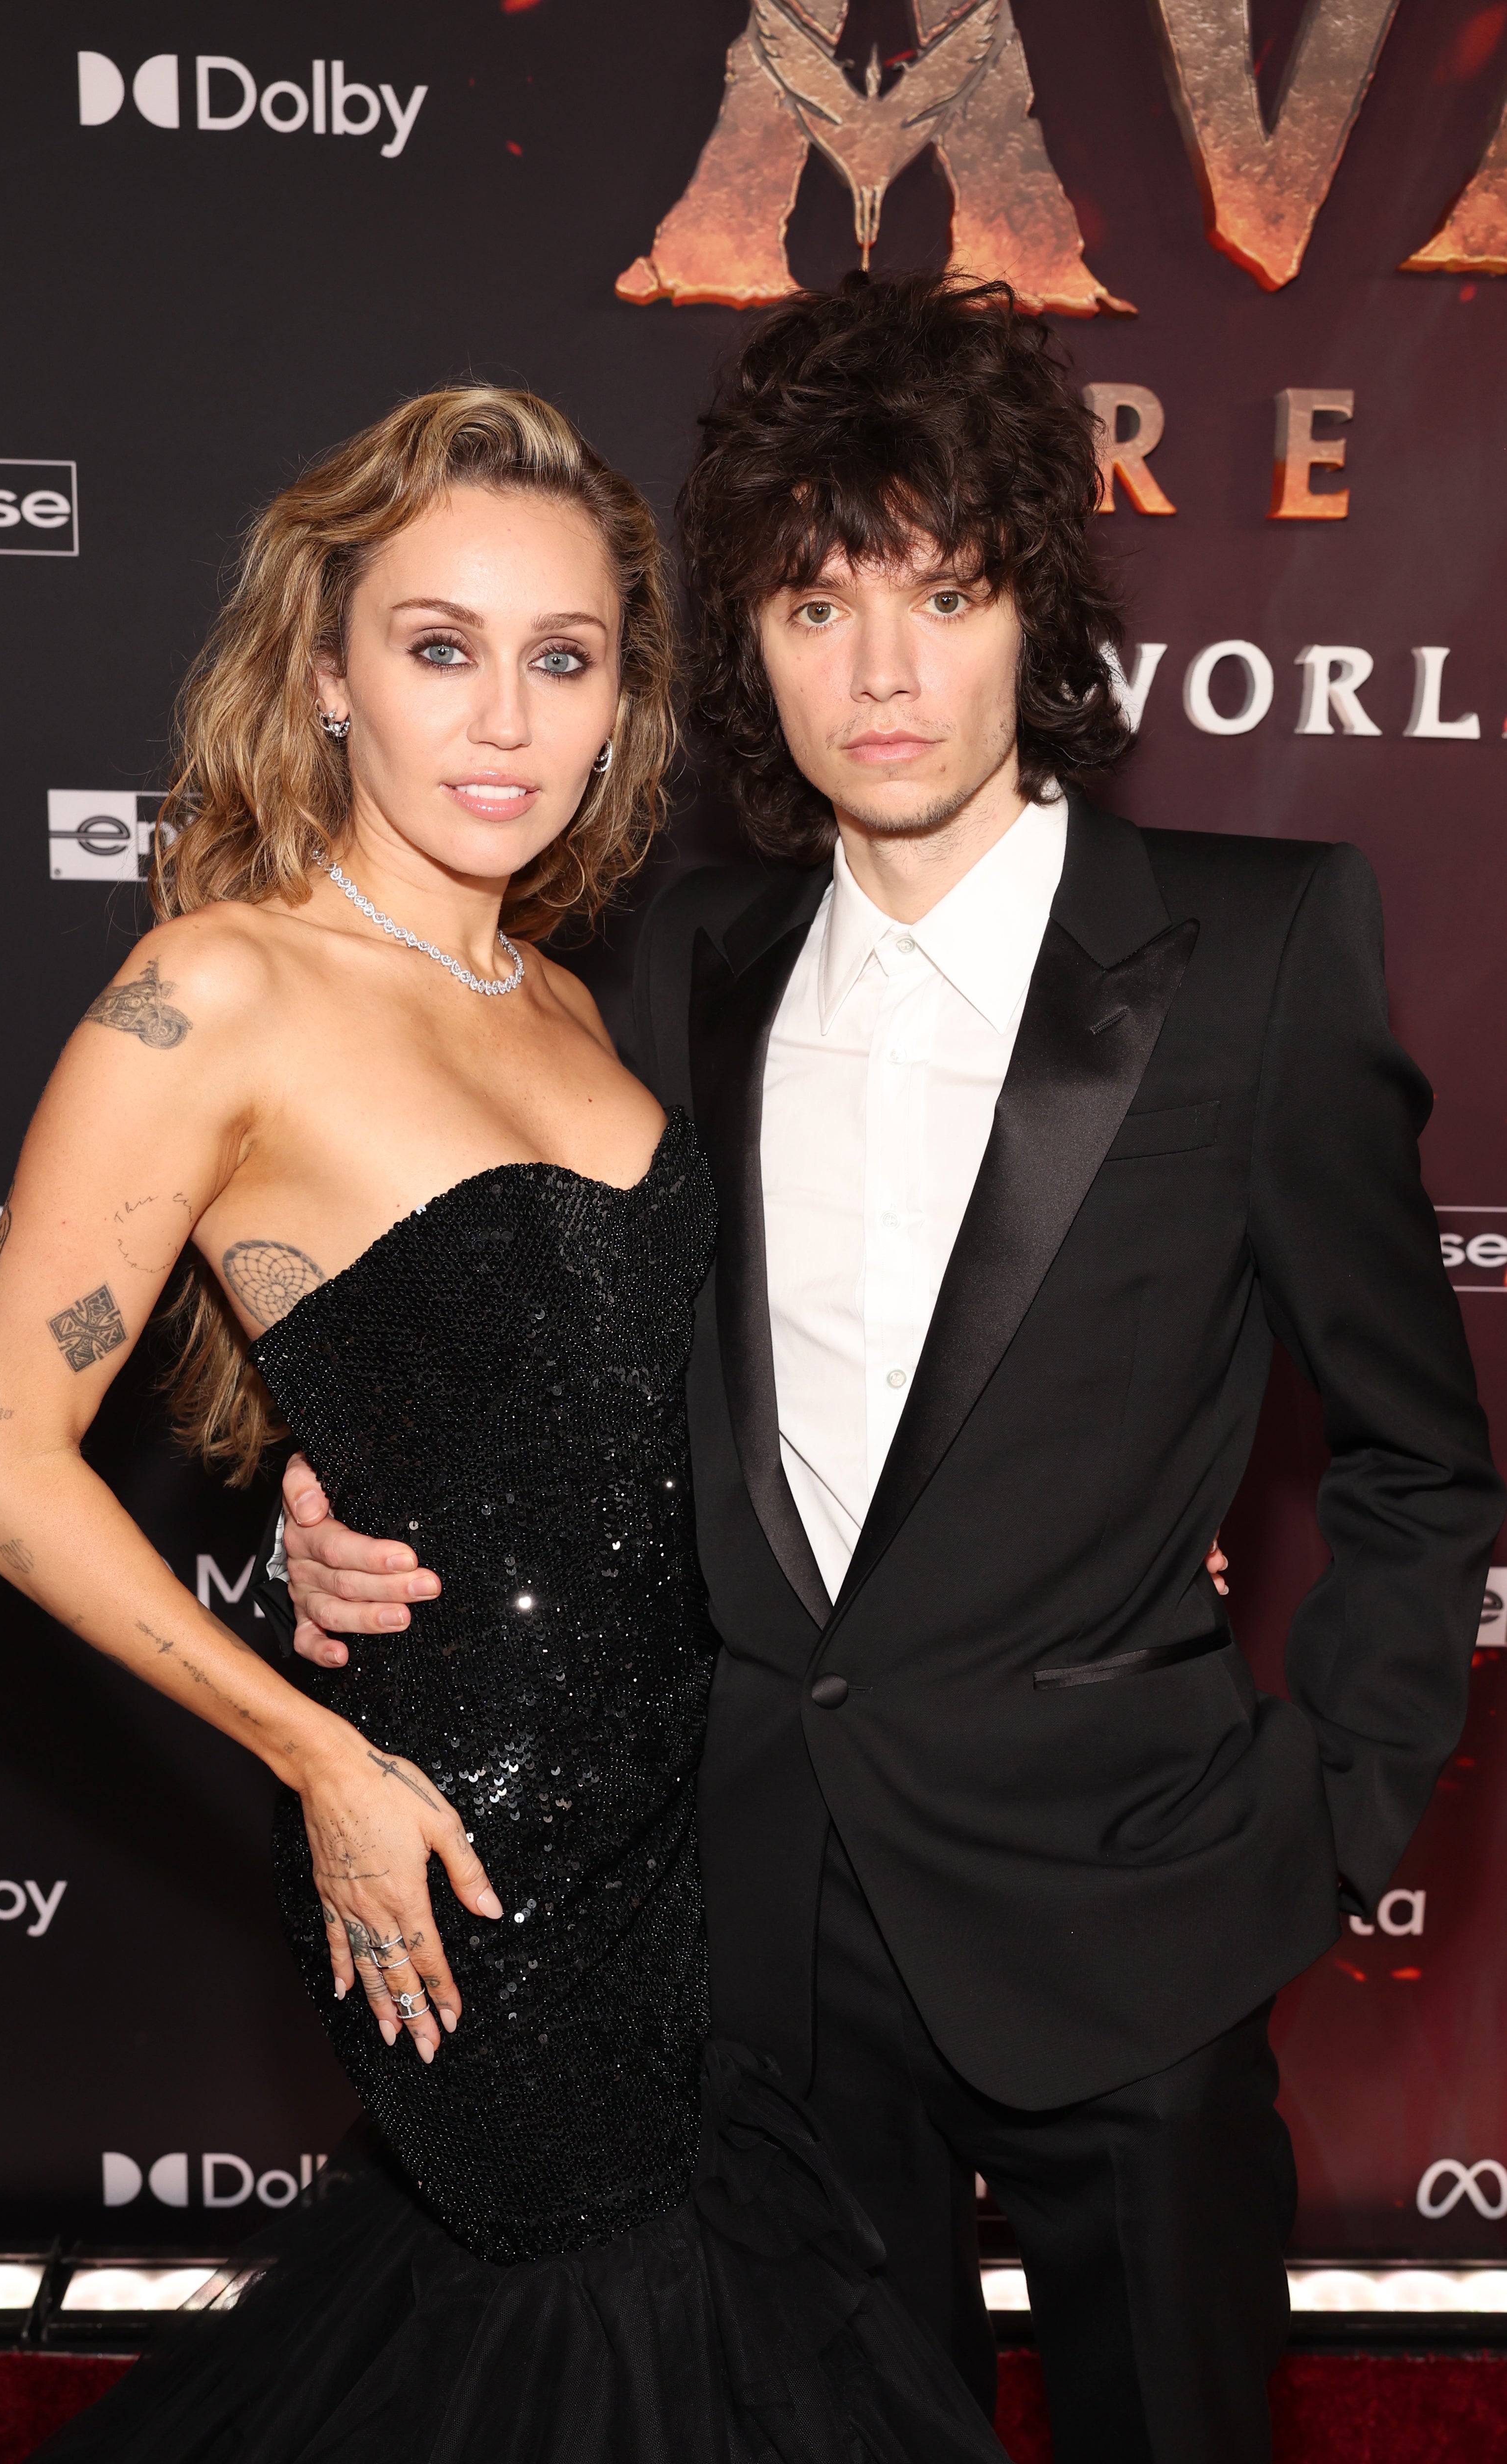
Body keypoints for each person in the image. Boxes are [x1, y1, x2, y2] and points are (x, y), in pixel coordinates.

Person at [278, 275, 1505, 2464]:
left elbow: (1422, 1451)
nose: (882, 674)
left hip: (1133, 1906)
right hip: (760, 1920)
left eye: (945, 595)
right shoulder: (686, 962)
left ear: (1038, 612)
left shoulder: (1260, 945)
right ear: (744, 647)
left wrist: (1327, 1827)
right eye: (815, 604)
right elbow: (567, 1361)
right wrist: (337, 1506)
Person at [0, 385, 1007, 2463]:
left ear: (621, 704)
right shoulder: (213, 993)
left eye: (562, 658)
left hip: (692, 1828)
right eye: (441, 648)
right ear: (328, 674)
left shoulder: (572, 999)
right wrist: (317, 1753)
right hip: (456, 1845)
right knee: (593, 2327)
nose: (504, 720)